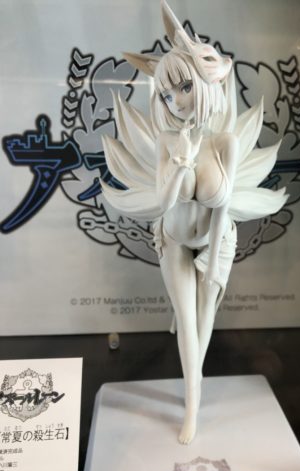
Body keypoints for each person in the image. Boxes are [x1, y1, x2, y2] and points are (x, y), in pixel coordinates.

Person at [102, 0, 288, 444]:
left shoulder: (225, 143)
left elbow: (222, 206)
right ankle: (191, 407)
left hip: (217, 239)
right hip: (172, 239)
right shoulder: (168, 141)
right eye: (167, 94)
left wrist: (213, 265)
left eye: (183, 87)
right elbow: (164, 202)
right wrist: (181, 163)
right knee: (187, 322)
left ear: (206, 82)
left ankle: (194, 394)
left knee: (205, 321)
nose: (175, 101)